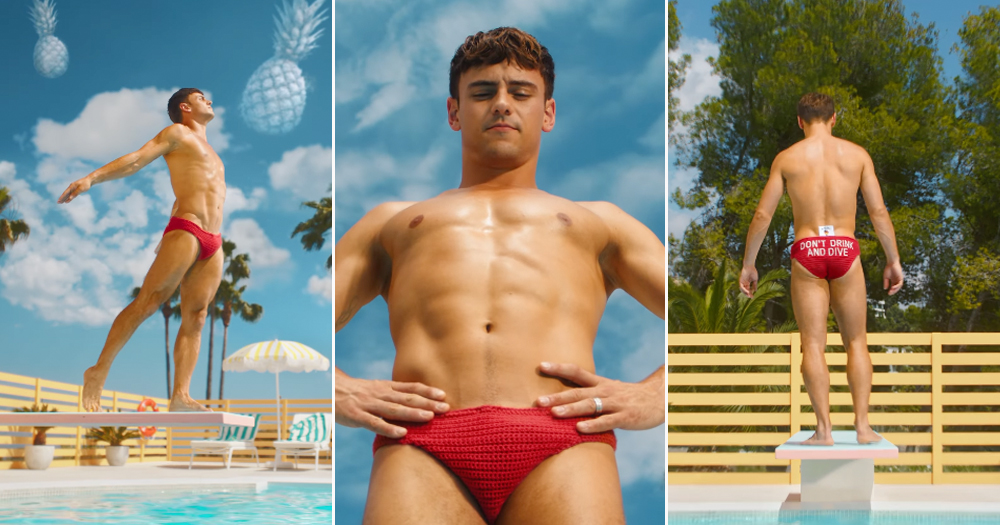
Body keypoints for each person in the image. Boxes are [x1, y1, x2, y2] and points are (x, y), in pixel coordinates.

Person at [335, 27, 665, 525]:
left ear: (548, 113)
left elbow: (701, 314)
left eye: (521, 92)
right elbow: (303, 319)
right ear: (454, 112)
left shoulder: (601, 222)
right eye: (483, 92)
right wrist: (337, 387)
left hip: (562, 439)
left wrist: (657, 393)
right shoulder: (392, 222)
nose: (502, 104)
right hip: (423, 443)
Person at [739, 92, 904, 446]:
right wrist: (893, 259)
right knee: (856, 342)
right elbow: (877, 212)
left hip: (808, 249)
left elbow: (763, 215)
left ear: (800, 121)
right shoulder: (858, 156)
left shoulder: (786, 159)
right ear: (834, 118)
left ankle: (824, 430)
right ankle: (862, 427)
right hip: (846, 249)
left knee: (812, 345)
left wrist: (749, 264)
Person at [58, 88, 225, 413]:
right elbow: (137, 158)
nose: (209, 101)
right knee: (149, 301)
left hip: (214, 240)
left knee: (197, 316)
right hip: (188, 228)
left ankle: (181, 395)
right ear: (184, 106)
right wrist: (92, 178)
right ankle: (99, 369)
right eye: (201, 98)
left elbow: (188, 189)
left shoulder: (213, 154)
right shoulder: (177, 133)